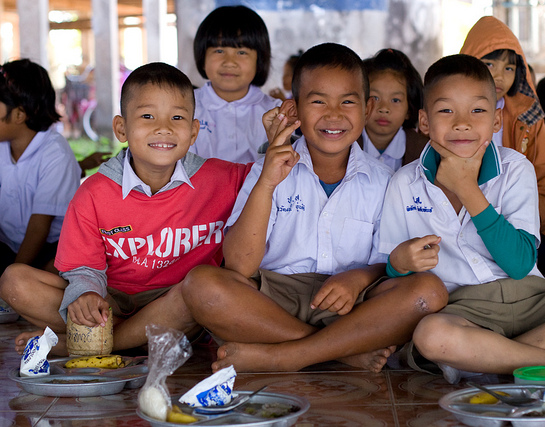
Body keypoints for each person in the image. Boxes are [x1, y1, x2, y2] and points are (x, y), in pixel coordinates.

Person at [181, 43, 448, 374]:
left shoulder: (385, 181)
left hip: (353, 302)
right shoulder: (267, 169)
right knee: (201, 285)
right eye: (318, 101)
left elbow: (392, 260)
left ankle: (285, 356)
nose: (333, 114)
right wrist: (267, 183)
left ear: (366, 109)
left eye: (347, 102)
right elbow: (239, 265)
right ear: (294, 111)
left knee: (428, 291)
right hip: (272, 301)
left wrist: (359, 277)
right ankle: (336, 351)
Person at [380, 53, 545, 385]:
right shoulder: (404, 183)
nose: (463, 123)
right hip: (465, 310)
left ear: (497, 119)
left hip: (534, 298)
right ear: (425, 121)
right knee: (432, 335)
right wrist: (399, 262)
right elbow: (386, 271)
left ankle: (490, 360)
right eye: (446, 110)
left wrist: (467, 189)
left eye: (478, 110)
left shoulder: (515, 168)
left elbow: (518, 264)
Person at [0, 62, 251, 355]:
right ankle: (126, 338)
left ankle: (91, 344)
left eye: (177, 117)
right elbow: (84, 268)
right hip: (112, 300)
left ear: (193, 131)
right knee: (14, 281)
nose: (163, 128)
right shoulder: (94, 193)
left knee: (198, 293)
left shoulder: (225, 179)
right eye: (147, 116)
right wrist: (87, 293)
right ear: (121, 128)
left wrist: (280, 138)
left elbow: (275, 177)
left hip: (178, 301)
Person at [460, 16, 545, 275]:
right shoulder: (451, 115)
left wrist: (521, 219)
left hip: (522, 228)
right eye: (489, 64)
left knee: (534, 258)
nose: (499, 75)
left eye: (509, 68)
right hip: (460, 225)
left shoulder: (528, 119)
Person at [0, 59, 81, 276]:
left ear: (19, 115)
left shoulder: (55, 153)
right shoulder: (2, 145)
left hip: (48, 247)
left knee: (58, 270)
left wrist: (13, 276)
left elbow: (39, 228)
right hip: (8, 244)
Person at [189, 5, 280, 163]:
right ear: (202, 57)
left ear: (259, 61)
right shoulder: (186, 107)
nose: (229, 62)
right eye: (219, 51)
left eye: (241, 52)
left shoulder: (276, 113)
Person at [358, 48, 427, 171]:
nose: (384, 109)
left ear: (409, 109)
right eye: (375, 97)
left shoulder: (423, 151)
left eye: (395, 100)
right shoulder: (345, 145)